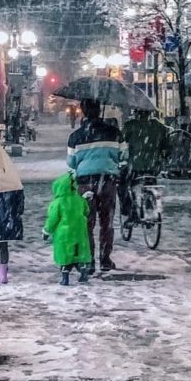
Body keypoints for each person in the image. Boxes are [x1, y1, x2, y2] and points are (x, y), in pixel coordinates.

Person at [66, 98, 125, 273]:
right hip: (107, 181)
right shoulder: (114, 133)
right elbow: (123, 155)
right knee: (106, 222)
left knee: (87, 222)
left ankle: (88, 260)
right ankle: (105, 259)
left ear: (83, 112)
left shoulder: (76, 136)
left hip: (85, 183)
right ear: (100, 111)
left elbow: (71, 162)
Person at [119, 110, 171, 218]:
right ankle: (150, 205)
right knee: (151, 182)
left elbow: (120, 142)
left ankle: (128, 210)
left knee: (123, 183)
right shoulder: (159, 127)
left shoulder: (130, 125)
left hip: (134, 166)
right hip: (154, 166)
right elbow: (167, 147)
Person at [43, 173, 92, 285]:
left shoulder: (57, 203)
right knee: (79, 252)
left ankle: (65, 277)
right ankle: (83, 273)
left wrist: (46, 231)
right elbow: (86, 211)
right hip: (79, 231)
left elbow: (53, 219)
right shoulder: (79, 199)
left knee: (65, 254)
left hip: (64, 234)